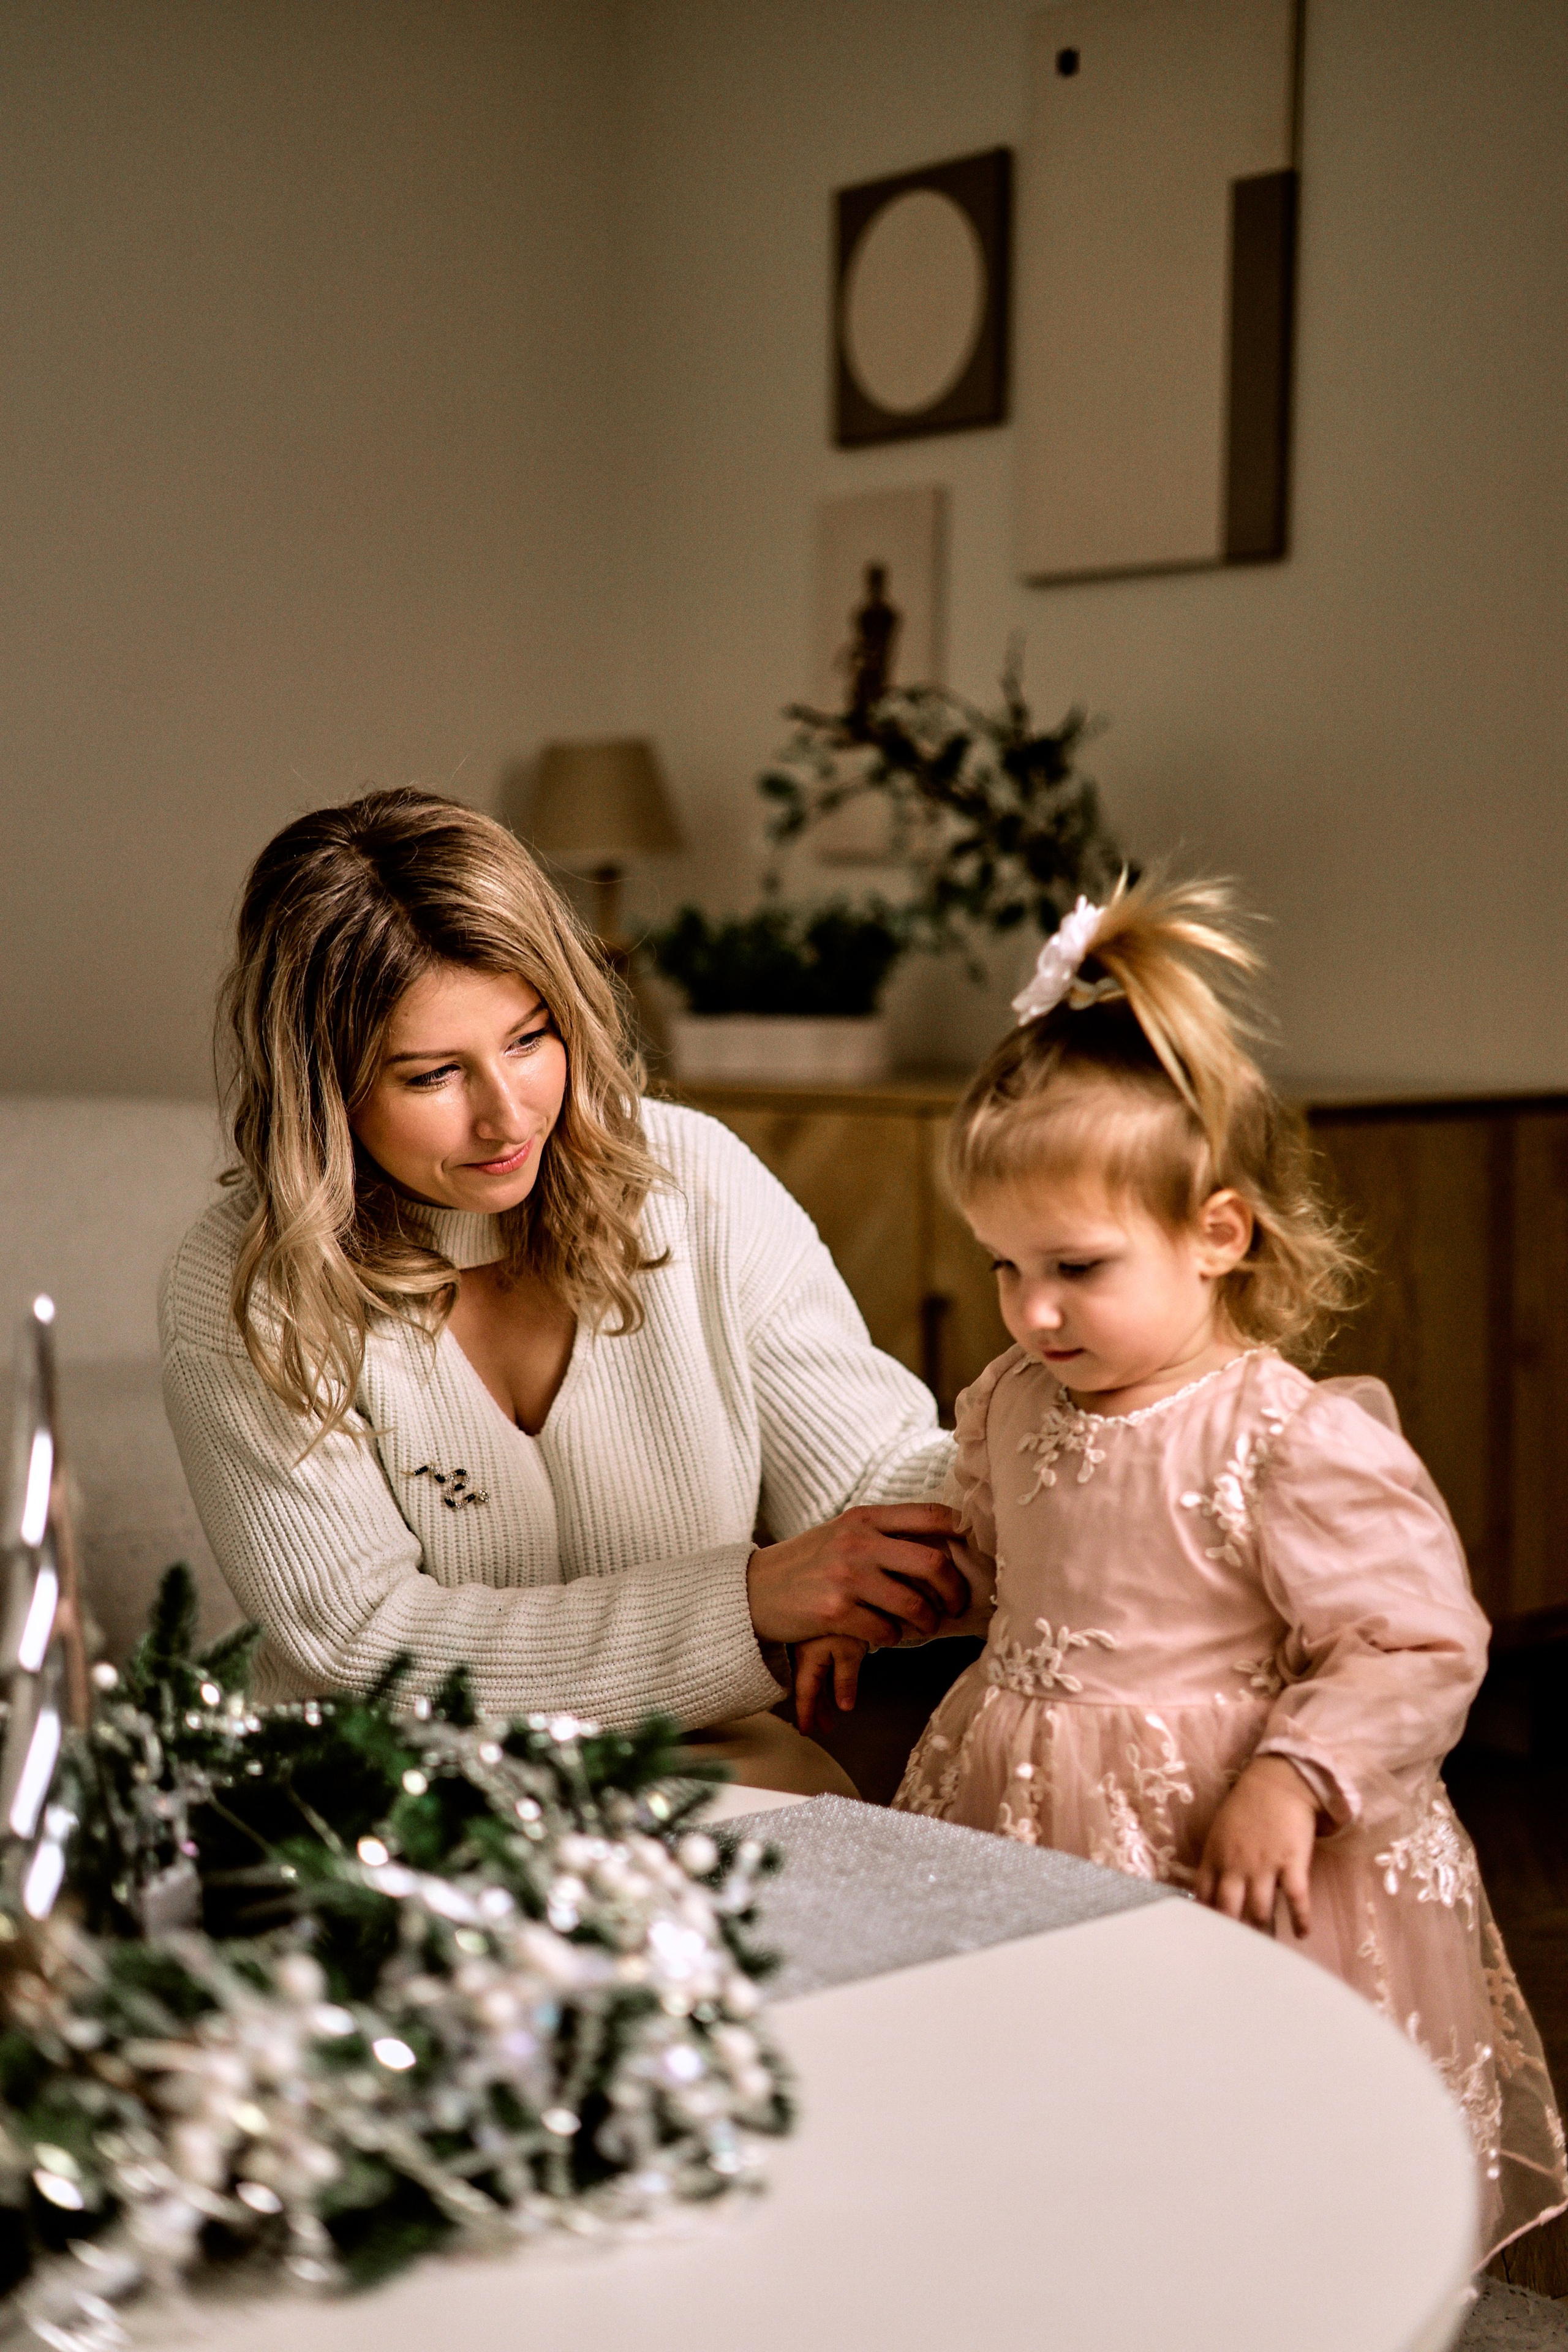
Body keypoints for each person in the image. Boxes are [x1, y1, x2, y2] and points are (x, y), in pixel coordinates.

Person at [794, 877, 1566, 2261]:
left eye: (1076, 1268)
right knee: (1041, 2107)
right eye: (1002, 1265)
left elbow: (1412, 1642)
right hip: (1019, 1800)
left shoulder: (1286, 1440)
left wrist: (1291, 1776)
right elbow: (997, 1561)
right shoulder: (1010, 1400)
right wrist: (887, 1598)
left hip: (1218, 1832)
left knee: (1226, 2129)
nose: (1032, 1309)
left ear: (1217, 1235)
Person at [159, 787, 968, 1795]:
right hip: (383, 1790)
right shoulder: (247, 1286)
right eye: (430, 1077)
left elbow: (871, 1481)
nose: (508, 1118)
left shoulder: (694, 1181)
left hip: (706, 1766)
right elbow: (364, 1644)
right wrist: (751, 1598)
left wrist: (1092, 1448)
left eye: (530, 1039)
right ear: (323, 1087)